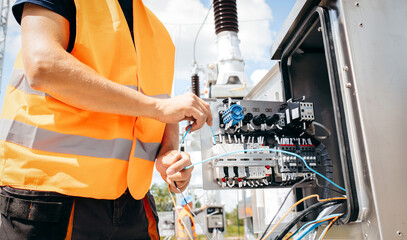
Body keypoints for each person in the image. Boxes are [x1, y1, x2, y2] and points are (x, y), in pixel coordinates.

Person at [0, 0, 212, 239]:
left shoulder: (159, 34)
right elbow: (43, 66)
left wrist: (168, 153)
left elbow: (162, 108)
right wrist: (159, 107)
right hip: (47, 198)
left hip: (131, 206)